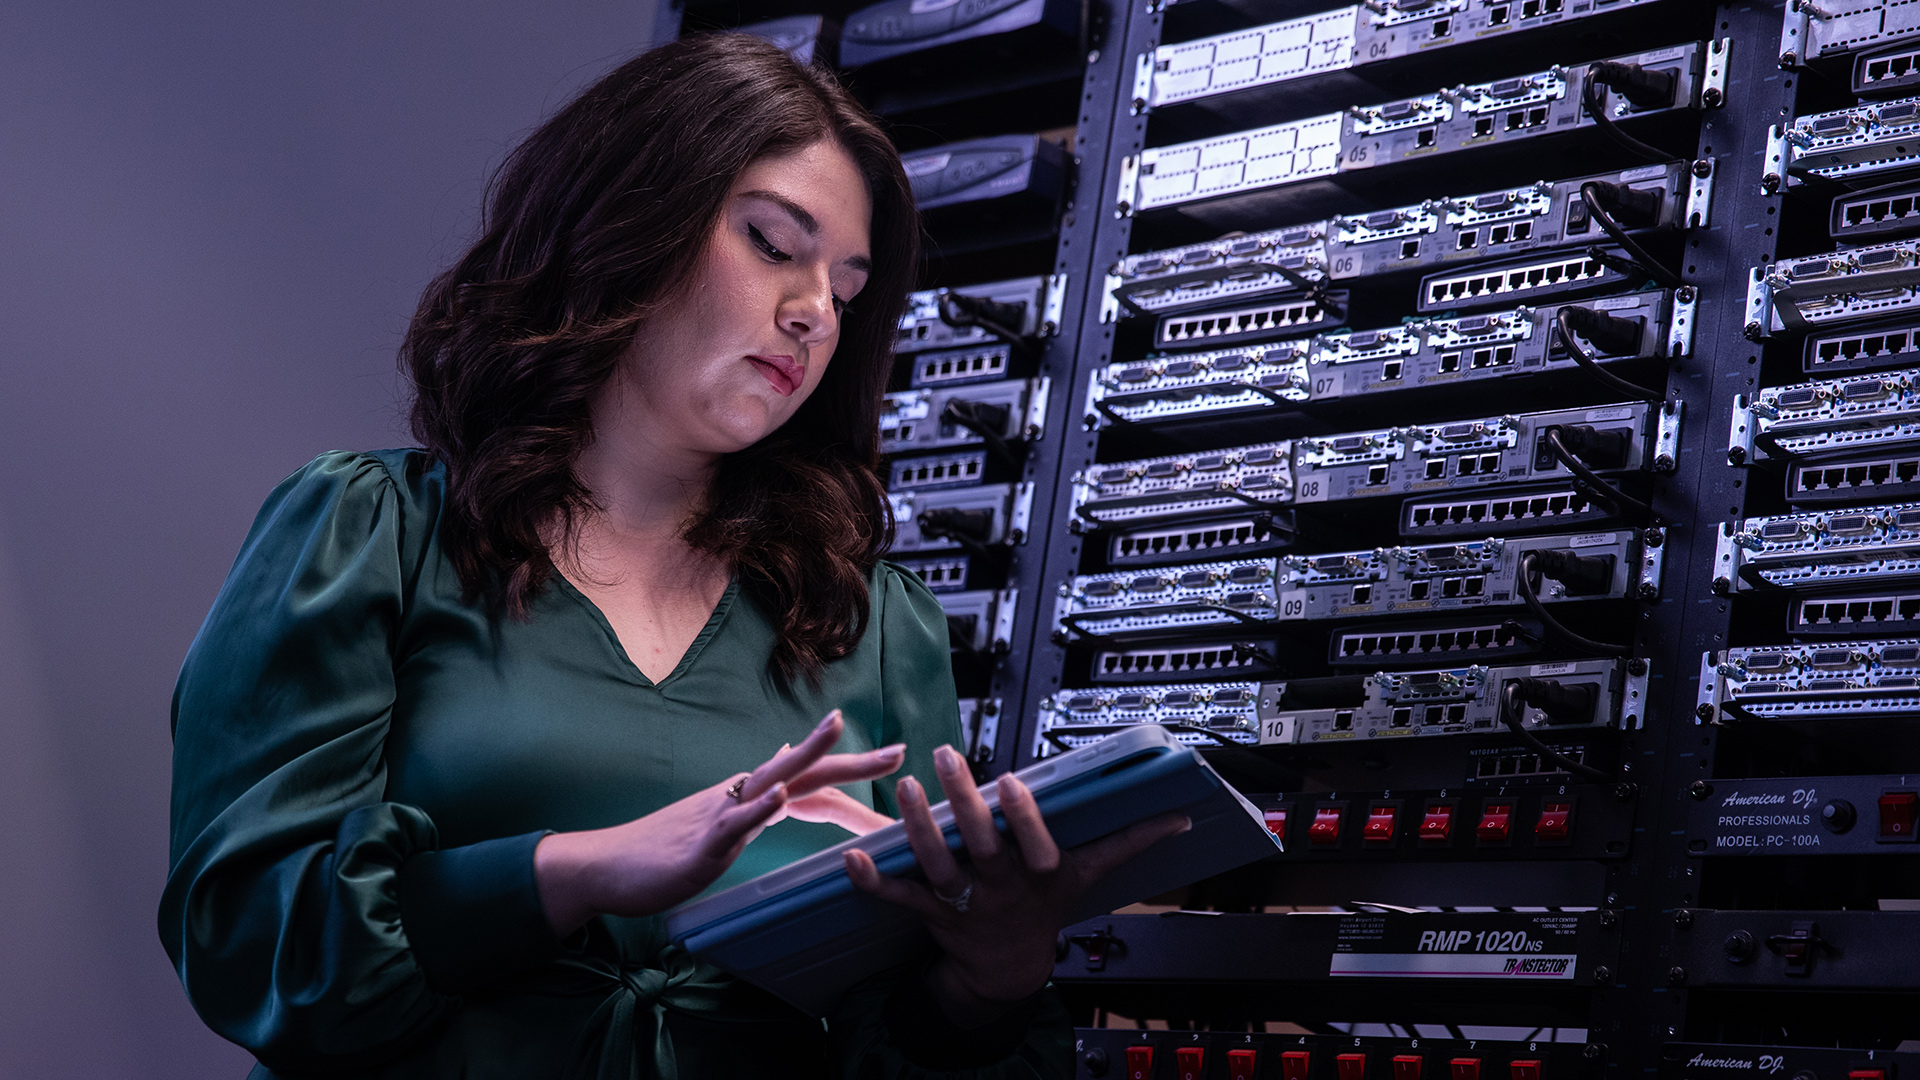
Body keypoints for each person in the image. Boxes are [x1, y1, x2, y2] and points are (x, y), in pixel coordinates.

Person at [159, 33, 1187, 1079]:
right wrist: (581, 869)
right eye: (773, 244)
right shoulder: (370, 532)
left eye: (848, 284)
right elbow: (247, 943)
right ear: (626, 219)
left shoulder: (870, 622)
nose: (815, 313)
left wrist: (990, 976)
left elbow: (892, 1040)